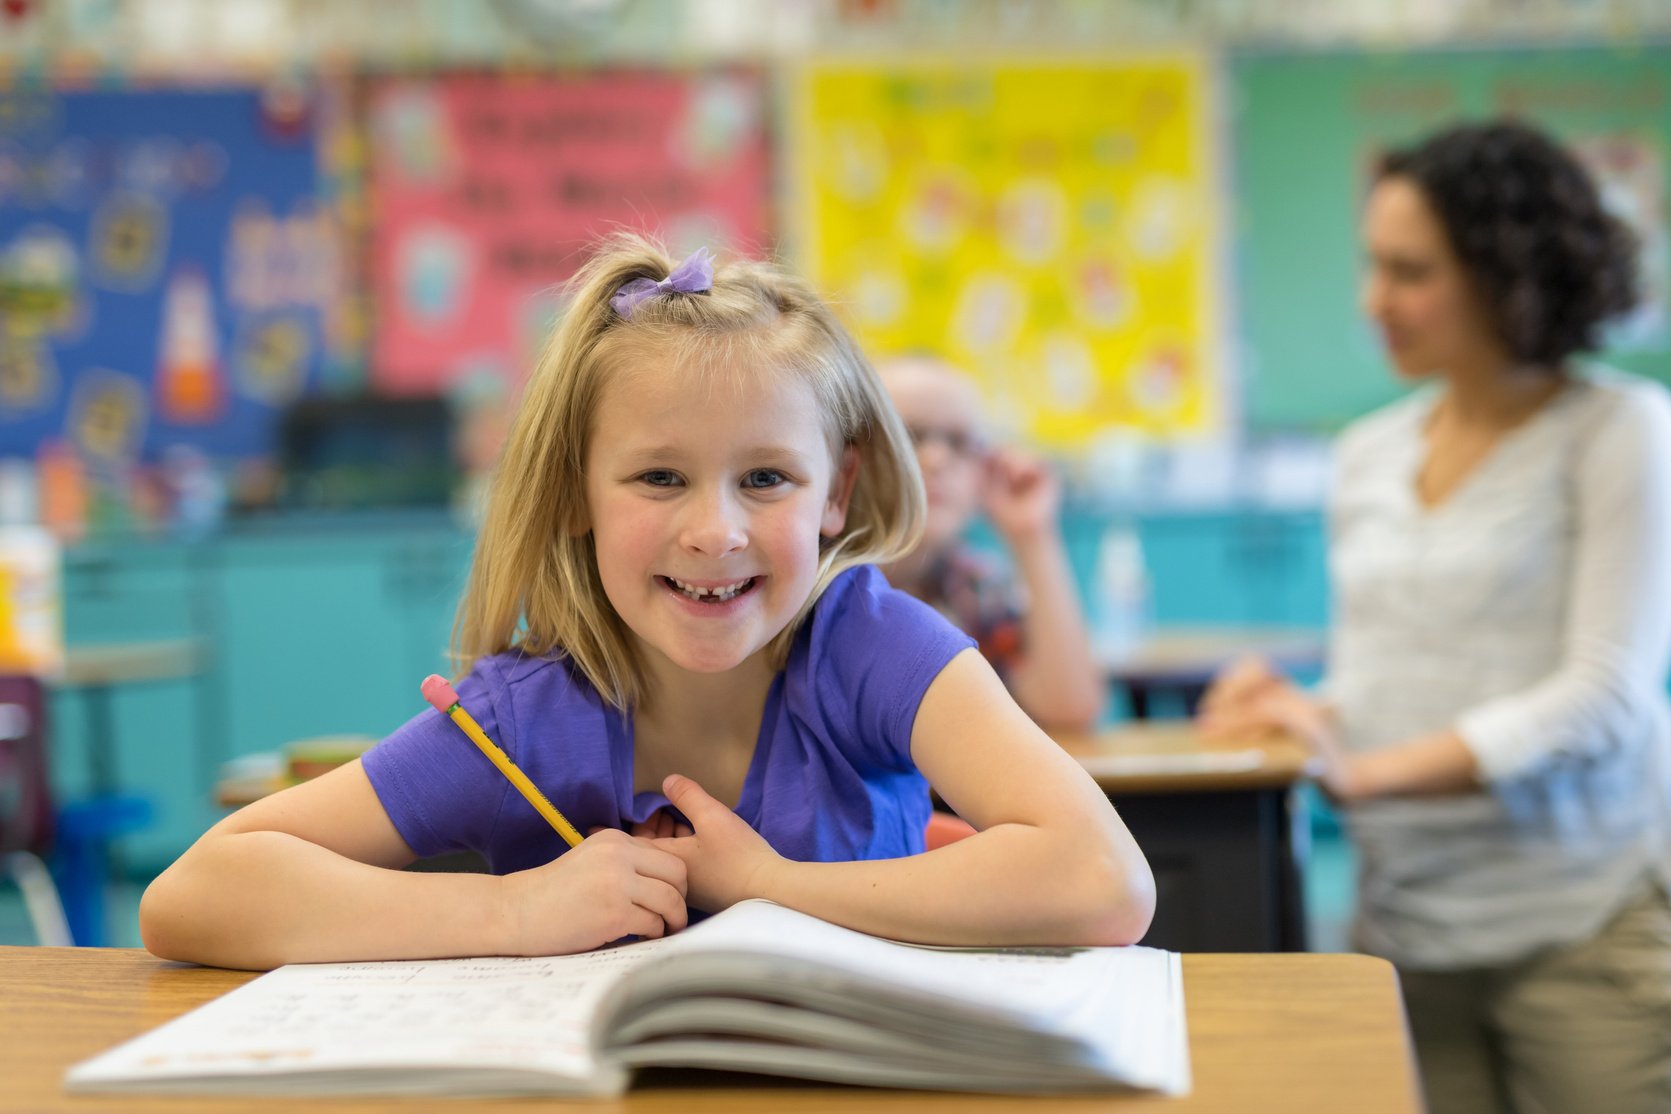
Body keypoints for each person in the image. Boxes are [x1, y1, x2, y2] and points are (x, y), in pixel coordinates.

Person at [140, 234, 1155, 971]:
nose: (716, 531)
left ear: (837, 491)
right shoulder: (525, 714)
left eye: (767, 479)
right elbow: (191, 896)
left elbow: (1106, 880)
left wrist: (771, 886)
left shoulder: (874, 645)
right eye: (660, 479)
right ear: (580, 490)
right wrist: (516, 913)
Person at [1197, 120, 1671, 1114]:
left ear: (1511, 276)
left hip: (1582, 922)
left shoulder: (1618, 430)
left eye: (1410, 271)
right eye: (1374, 264)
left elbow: (1605, 697)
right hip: (1404, 927)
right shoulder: (1368, 451)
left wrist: (1361, 773)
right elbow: (1394, 676)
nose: (1375, 301)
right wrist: (1301, 710)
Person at [878, 356, 1103, 731]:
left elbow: (1069, 708)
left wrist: (1033, 535)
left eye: (960, 441)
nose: (936, 458)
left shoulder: (972, 585)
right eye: (909, 435)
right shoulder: (813, 584)